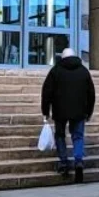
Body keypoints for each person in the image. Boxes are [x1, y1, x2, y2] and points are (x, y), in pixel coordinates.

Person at [40, 48, 95, 183]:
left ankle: (63, 162)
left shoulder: (56, 71)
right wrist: (89, 112)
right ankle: (78, 161)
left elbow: (46, 92)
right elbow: (91, 94)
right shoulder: (83, 71)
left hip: (60, 111)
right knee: (78, 136)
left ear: (62, 57)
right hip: (79, 111)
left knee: (60, 135)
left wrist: (45, 111)